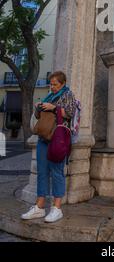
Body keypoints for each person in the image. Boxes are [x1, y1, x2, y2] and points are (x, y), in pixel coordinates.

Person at [21, 71, 77, 223]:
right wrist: (38, 108)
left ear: (63, 83)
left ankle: (57, 208)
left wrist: (53, 107)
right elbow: (40, 117)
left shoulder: (68, 95)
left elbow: (70, 113)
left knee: (57, 172)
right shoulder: (48, 95)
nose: (52, 87)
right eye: (51, 84)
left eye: (55, 84)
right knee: (42, 172)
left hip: (57, 139)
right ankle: (39, 207)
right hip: (43, 138)